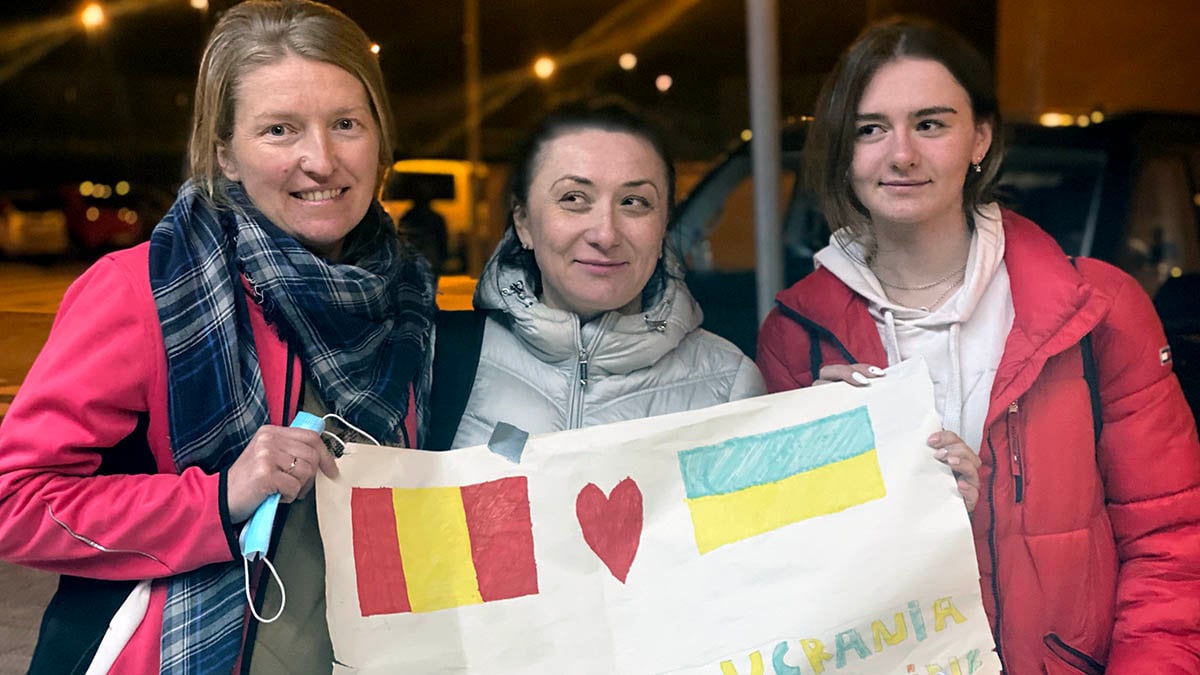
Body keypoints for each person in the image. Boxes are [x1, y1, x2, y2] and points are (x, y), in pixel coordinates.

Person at [0, 1, 435, 673]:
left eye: (346, 124)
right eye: (279, 129)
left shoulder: (411, 302)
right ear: (226, 154)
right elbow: (18, 501)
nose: (320, 160)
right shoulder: (143, 290)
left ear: (380, 138)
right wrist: (217, 497)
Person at [756, 17, 1200, 673]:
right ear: (843, 151)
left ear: (980, 138)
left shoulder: (1097, 309)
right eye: (870, 128)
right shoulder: (798, 336)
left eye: (930, 124)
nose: (900, 153)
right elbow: (780, 576)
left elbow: (1172, 545)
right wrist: (820, 482)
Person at [427, 101, 764, 450]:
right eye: (574, 198)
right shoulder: (440, 360)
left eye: (634, 202)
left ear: (664, 224)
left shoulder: (729, 387)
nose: (605, 234)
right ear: (523, 221)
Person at [398, 182, 450, 275]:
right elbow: (442, 239)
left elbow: (401, 238)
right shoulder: (435, 217)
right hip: (429, 258)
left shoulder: (408, 216)